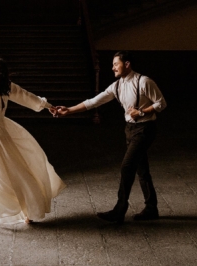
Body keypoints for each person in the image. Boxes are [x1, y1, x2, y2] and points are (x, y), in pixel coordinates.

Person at [55, 51, 166, 224]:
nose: (112, 67)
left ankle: (119, 210)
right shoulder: (117, 86)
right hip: (130, 129)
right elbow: (93, 102)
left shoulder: (143, 81)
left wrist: (142, 111)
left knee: (127, 166)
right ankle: (152, 208)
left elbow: (161, 103)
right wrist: (69, 110)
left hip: (145, 129)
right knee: (141, 169)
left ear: (127, 64)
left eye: (116, 63)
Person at [0, 57, 65, 229]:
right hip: (5, 131)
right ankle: (27, 211)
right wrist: (48, 106)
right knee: (16, 171)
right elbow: (27, 97)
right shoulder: (7, 88)